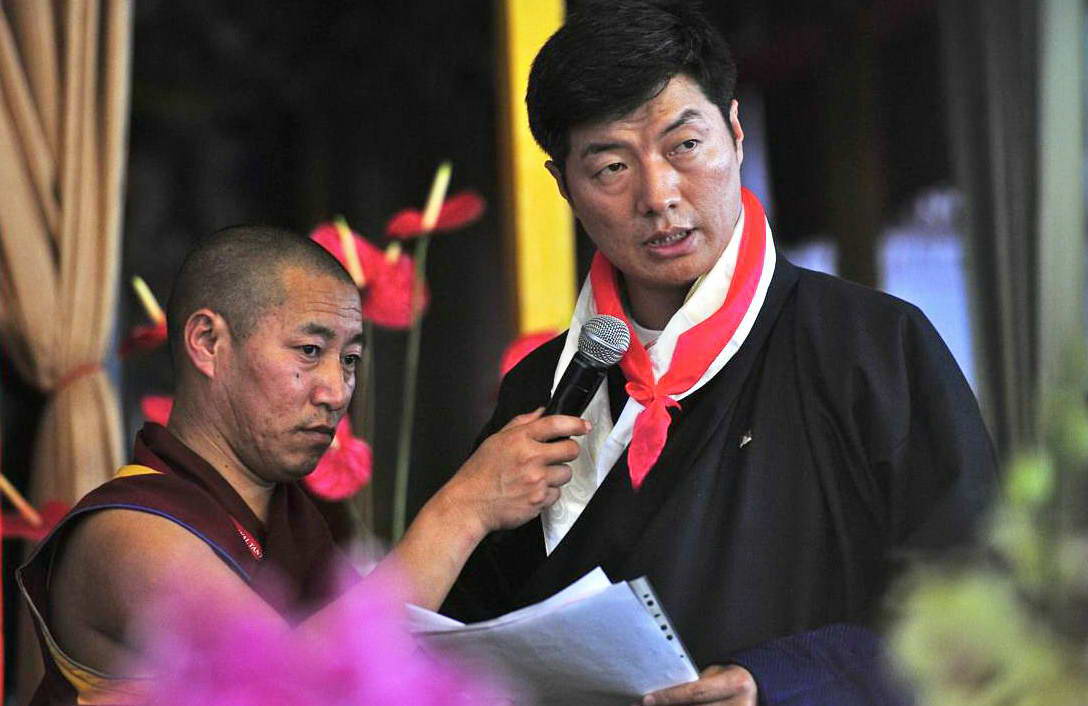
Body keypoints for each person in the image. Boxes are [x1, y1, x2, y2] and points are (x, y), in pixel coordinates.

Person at [442, 2, 997, 704]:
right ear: (563, 186)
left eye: (684, 145)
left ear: (734, 133)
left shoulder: (873, 347)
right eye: (611, 166)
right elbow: (467, 633)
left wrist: (781, 681)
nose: (658, 196)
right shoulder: (539, 390)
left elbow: (982, 609)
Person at [18, 226, 589, 705]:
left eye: (350, 359)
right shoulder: (130, 534)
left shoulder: (292, 519)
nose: (336, 391)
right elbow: (299, 690)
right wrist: (463, 509)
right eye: (309, 352)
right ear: (207, 342)